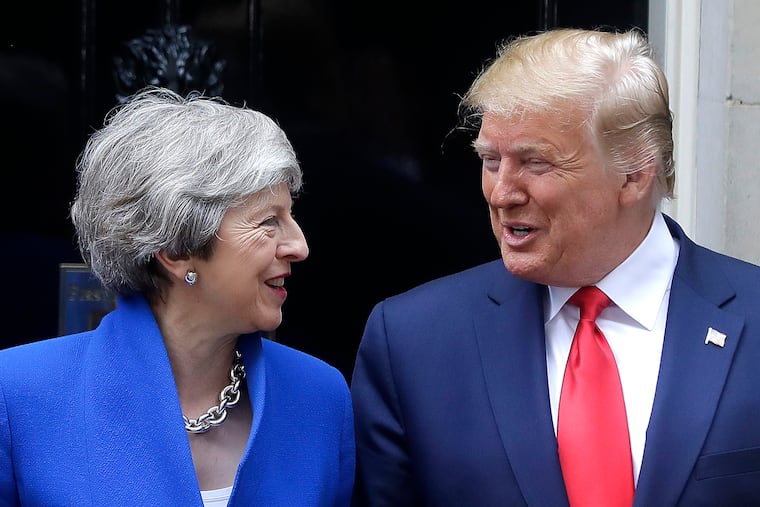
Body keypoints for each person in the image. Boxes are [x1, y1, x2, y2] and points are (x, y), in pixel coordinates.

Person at [350, 27, 760, 506]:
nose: (501, 193)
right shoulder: (412, 341)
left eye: (535, 162)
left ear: (633, 174)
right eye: (490, 160)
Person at [0, 87, 355, 506]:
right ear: (176, 251)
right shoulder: (19, 393)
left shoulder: (319, 397)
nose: (299, 245)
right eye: (267, 222)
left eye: (289, 216)